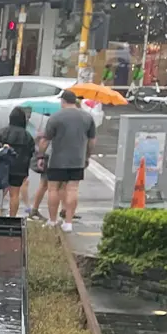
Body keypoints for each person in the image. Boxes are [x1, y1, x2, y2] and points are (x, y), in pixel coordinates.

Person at [39, 89, 98, 231]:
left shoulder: (55, 117)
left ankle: (52, 220)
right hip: (77, 160)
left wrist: (40, 156)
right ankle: (68, 222)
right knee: (73, 189)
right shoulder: (87, 117)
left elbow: (45, 140)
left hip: (57, 160)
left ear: (63, 101)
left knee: (53, 189)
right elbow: (92, 141)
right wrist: (87, 155)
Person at [0, 106, 35, 217]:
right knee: (14, 194)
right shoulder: (27, 136)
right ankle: (12, 217)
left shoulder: (2, 132)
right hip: (19, 169)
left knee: (0, 193)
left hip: (2, 166)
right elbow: (30, 153)